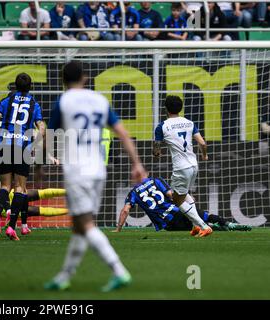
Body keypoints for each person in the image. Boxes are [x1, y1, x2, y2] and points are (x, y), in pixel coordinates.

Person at [44, 61, 147, 292]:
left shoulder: (63, 101)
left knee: (86, 224)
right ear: (85, 77)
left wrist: (44, 163)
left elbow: (49, 135)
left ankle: (119, 270)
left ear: (63, 80)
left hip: (77, 171)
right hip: (98, 170)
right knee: (79, 226)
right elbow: (122, 132)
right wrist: (137, 163)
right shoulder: (100, 101)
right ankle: (64, 276)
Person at [0, 73, 47, 241]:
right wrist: (34, 145)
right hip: (22, 146)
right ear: (30, 87)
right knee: (19, 188)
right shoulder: (34, 104)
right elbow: (42, 129)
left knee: (4, 186)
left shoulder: (5, 102)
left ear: (15, 86)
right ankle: (11, 227)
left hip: (4, 145)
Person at [153, 95, 212, 237]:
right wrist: (204, 155)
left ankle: (203, 226)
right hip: (194, 165)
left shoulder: (162, 126)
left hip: (181, 168)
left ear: (166, 109)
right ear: (181, 108)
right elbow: (203, 143)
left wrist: (157, 152)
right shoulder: (189, 123)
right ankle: (195, 226)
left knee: (176, 200)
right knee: (186, 197)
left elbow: (156, 146)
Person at [113, 176, 252, 233]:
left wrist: (119, 228)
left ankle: (214, 228)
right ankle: (229, 224)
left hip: (167, 223)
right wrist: (188, 200)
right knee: (205, 216)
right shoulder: (156, 180)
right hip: (178, 210)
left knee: (194, 227)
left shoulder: (133, 193)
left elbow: (125, 211)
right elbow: (171, 195)